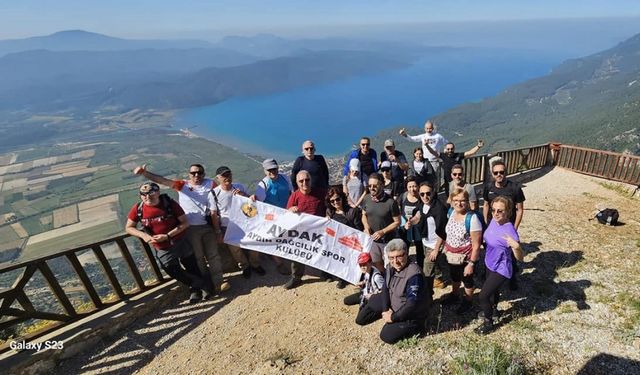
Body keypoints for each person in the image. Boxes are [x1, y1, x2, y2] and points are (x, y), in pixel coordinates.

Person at [133, 163, 229, 295]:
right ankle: (207, 283)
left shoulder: (211, 184)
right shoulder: (183, 185)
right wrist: (145, 173)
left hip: (209, 225)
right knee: (199, 258)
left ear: (204, 174)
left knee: (213, 255)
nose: (196, 175)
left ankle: (219, 282)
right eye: (193, 173)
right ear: (189, 174)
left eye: (199, 172)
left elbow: (223, 194)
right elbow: (162, 181)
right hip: (190, 229)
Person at [125, 182, 215, 303]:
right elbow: (129, 227)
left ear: (157, 193)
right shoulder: (138, 209)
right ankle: (199, 284)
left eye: (151, 193)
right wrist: (144, 236)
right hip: (161, 247)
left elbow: (184, 223)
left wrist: (167, 236)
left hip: (180, 240)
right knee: (171, 269)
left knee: (191, 265)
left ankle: (198, 290)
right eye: (143, 194)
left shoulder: (169, 204)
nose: (147, 197)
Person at [477, 196, 524, 334]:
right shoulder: (493, 221)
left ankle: (488, 322)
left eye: (500, 211)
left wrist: (517, 247)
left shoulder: (509, 230)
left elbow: (520, 258)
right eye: (493, 210)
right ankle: (494, 310)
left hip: (502, 268)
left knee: (483, 296)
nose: (496, 213)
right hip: (489, 262)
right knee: (493, 291)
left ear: (508, 212)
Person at [213, 166, 265, 278]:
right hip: (227, 226)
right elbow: (213, 214)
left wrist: (243, 196)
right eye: (224, 175)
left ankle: (255, 264)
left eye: (229, 174)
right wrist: (217, 231)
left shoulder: (239, 186)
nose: (227, 177)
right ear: (218, 178)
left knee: (253, 243)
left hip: (245, 222)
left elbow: (251, 201)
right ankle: (245, 266)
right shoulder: (214, 193)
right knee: (235, 249)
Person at [482, 159, 525, 290]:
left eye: (502, 172)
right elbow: (485, 205)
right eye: (496, 173)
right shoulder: (488, 187)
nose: (499, 175)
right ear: (492, 174)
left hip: (507, 226)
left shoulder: (515, 188)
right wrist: (486, 222)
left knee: (510, 254)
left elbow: (520, 209)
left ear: (506, 172)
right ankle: (490, 275)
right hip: (492, 225)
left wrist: (515, 227)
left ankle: (511, 279)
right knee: (491, 249)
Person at [379, 239, 430, 344]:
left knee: (386, 336)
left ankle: (418, 327)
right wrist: (385, 310)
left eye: (399, 256)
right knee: (372, 305)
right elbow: (385, 287)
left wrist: (393, 317)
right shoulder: (390, 266)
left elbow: (412, 304)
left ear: (406, 254)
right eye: (391, 258)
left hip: (412, 314)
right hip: (396, 304)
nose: (395, 261)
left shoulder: (414, 274)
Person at [441, 187, 483, 315]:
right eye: (456, 200)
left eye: (463, 200)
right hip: (452, 255)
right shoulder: (451, 213)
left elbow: (476, 245)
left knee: (467, 280)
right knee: (454, 276)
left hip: (465, 257)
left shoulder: (472, 219)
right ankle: (455, 295)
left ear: (468, 201)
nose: (459, 203)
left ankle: (468, 301)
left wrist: (471, 263)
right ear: (452, 201)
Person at [284, 170, 327, 289]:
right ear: (297, 183)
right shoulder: (294, 196)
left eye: (307, 180)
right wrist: (291, 209)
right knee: (297, 253)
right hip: (301, 232)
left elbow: (329, 206)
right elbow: (287, 213)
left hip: (319, 231)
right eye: (301, 181)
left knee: (324, 252)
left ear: (311, 180)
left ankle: (326, 272)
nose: (304, 183)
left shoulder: (321, 193)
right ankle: (296, 277)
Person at [251, 158, 293, 275]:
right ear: (264, 171)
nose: (272, 172)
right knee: (274, 238)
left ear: (277, 168)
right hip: (271, 217)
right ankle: (279, 263)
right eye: (269, 170)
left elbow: (292, 193)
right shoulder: (263, 185)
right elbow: (258, 204)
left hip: (286, 213)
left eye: (274, 169)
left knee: (285, 236)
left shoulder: (285, 178)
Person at [407, 182, 448, 293]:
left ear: (433, 192)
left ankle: (428, 294)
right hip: (426, 241)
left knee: (427, 272)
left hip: (434, 244)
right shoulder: (423, 204)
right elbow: (418, 216)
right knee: (432, 264)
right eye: (422, 194)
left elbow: (442, 231)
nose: (425, 196)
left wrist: (436, 250)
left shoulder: (439, 209)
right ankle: (439, 277)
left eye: (428, 193)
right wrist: (410, 222)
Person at [361, 172, 401, 272]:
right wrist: (366, 227)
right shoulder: (366, 199)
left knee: (390, 266)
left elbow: (397, 222)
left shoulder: (390, 202)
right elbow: (363, 215)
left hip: (387, 240)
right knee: (376, 263)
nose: (371, 188)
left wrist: (382, 231)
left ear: (382, 185)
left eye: (375, 186)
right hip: (372, 241)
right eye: (369, 186)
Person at [326, 187, 363, 288]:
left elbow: (359, 229)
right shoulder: (330, 212)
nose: (335, 202)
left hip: (352, 241)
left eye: (337, 199)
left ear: (342, 198)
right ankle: (342, 278)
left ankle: (355, 277)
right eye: (332, 200)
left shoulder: (352, 211)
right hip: (339, 243)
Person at [343, 252, 385, 325]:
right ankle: (363, 303)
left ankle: (380, 312)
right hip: (365, 294)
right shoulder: (367, 271)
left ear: (370, 263)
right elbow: (368, 280)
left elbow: (384, 291)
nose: (362, 267)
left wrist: (373, 295)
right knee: (346, 300)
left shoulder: (377, 277)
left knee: (360, 321)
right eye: (360, 265)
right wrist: (362, 283)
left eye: (365, 264)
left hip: (372, 298)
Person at [397, 177, 424, 268]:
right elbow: (398, 209)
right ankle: (406, 266)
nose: (412, 189)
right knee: (405, 247)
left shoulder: (422, 197)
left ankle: (420, 268)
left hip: (418, 227)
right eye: (410, 187)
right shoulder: (403, 196)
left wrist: (412, 221)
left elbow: (420, 215)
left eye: (414, 186)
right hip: (406, 227)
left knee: (420, 249)